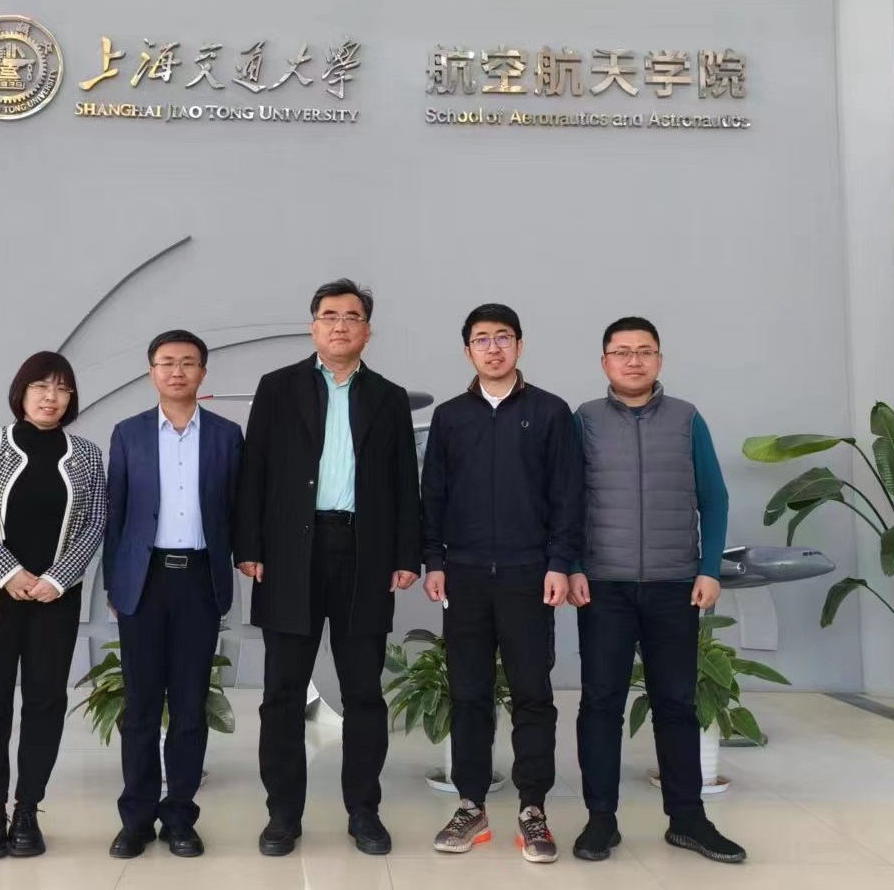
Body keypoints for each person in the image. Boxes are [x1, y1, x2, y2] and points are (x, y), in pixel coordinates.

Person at [234, 278, 421, 857]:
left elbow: (404, 481)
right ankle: (282, 815)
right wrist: (249, 546)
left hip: (364, 555)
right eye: (330, 315)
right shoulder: (278, 387)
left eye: (352, 316)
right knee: (283, 692)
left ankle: (364, 811)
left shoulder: (388, 397)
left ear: (368, 329)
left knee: (363, 692)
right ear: (313, 326)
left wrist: (405, 555)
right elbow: (255, 470)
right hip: (289, 555)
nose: (341, 325)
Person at [569, 317, 744, 864]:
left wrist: (709, 569)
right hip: (604, 586)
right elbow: (567, 501)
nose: (634, 360)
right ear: (605, 362)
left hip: (674, 585)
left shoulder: (688, 418)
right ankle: (601, 820)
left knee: (676, 704)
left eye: (645, 351)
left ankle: (688, 820)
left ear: (659, 360)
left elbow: (714, 498)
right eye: (622, 351)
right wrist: (573, 566)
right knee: (601, 703)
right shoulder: (584, 420)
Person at [421, 303, 583, 863]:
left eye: (503, 337)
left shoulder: (550, 411)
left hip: (528, 576)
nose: (493, 348)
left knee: (532, 694)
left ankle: (533, 808)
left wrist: (559, 563)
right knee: (468, 694)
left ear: (520, 345)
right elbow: (433, 495)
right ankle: (471, 806)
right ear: (467, 350)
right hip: (464, 577)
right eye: (482, 339)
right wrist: (434, 560)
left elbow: (567, 496)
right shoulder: (450, 417)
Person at [0, 351, 107, 861]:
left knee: (45, 703)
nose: (51, 396)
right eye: (41, 386)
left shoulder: (86, 454)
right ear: (22, 392)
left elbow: (95, 521)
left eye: (62, 388)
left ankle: (27, 809)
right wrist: (9, 572)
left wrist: (57, 579)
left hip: (54, 600)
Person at [103, 331, 243, 861]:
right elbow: (115, 514)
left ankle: (180, 816)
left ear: (203, 372)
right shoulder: (129, 433)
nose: (177, 371)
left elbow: (237, 509)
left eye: (188, 363)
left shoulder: (227, 435)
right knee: (141, 706)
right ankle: (136, 819)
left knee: (189, 706)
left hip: (199, 581)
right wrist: (115, 582)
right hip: (144, 580)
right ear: (151, 372)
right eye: (166, 363)